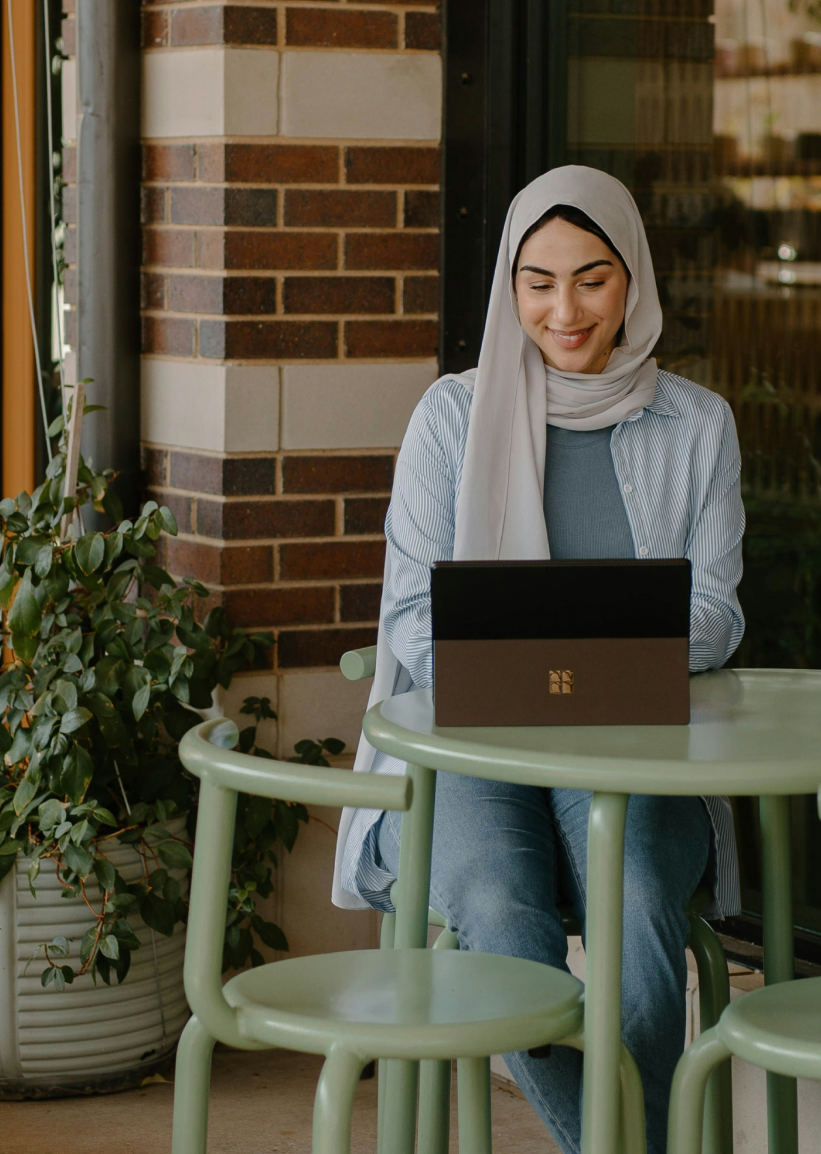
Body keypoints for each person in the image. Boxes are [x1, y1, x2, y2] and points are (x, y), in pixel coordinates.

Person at [330, 165, 746, 1154]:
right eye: (539, 280)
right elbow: (415, 624)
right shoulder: (451, 417)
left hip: (634, 745)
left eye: (593, 278)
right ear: (510, 289)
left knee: (642, 896)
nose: (565, 309)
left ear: (633, 279)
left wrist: (543, 650)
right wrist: (598, 648)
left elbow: (717, 615)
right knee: (494, 902)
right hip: (475, 742)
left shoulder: (699, 424)